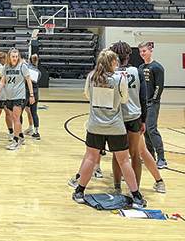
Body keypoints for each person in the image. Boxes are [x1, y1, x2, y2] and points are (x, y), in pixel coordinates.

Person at [72, 49, 146, 209]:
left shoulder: (91, 77)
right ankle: (136, 196)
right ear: (113, 63)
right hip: (115, 126)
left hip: (95, 125)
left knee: (90, 158)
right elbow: (125, 99)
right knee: (124, 160)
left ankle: (79, 191)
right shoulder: (119, 78)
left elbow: (87, 95)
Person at [109, 41, 166, 194]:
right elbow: (143, 97)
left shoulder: (111, 73)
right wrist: (143, 120)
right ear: (129, 56)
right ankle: (139, 187)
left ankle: (117, 187)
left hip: (118, 117)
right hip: (135, 116)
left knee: (119, 154)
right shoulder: (137, 70)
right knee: (137, 152)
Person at [0, 48, 35, 151]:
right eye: (13, 57)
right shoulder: (5, 67)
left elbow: (29, 81)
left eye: (16, 57)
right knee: (13, 118)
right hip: (9, 96)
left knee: (16, 117)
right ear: (9, 57)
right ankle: (20, 135)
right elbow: (3, 81)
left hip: (19, 96)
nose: (15, 58)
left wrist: (31, 94)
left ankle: (15, 141)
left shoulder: (22, 66)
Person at [138, 41, 167, 169]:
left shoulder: (157, 68)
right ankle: (150, 156)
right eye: (140, 51)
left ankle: (162, 158)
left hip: (152, 103)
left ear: (150, 51)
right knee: (145, 131)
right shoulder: (140, 68)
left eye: (144, 51)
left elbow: (159, 87)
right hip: (142, 104)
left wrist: (153, 100)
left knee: (152, 129)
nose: (142, 53)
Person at [24, 54, 42, 140]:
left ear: (29, 60)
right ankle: (36, 131)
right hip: (35, 92)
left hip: (26, 90)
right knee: (33, 111)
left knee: (20, 110)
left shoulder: (26, 67)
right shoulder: (38, 71)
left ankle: (17, 132)